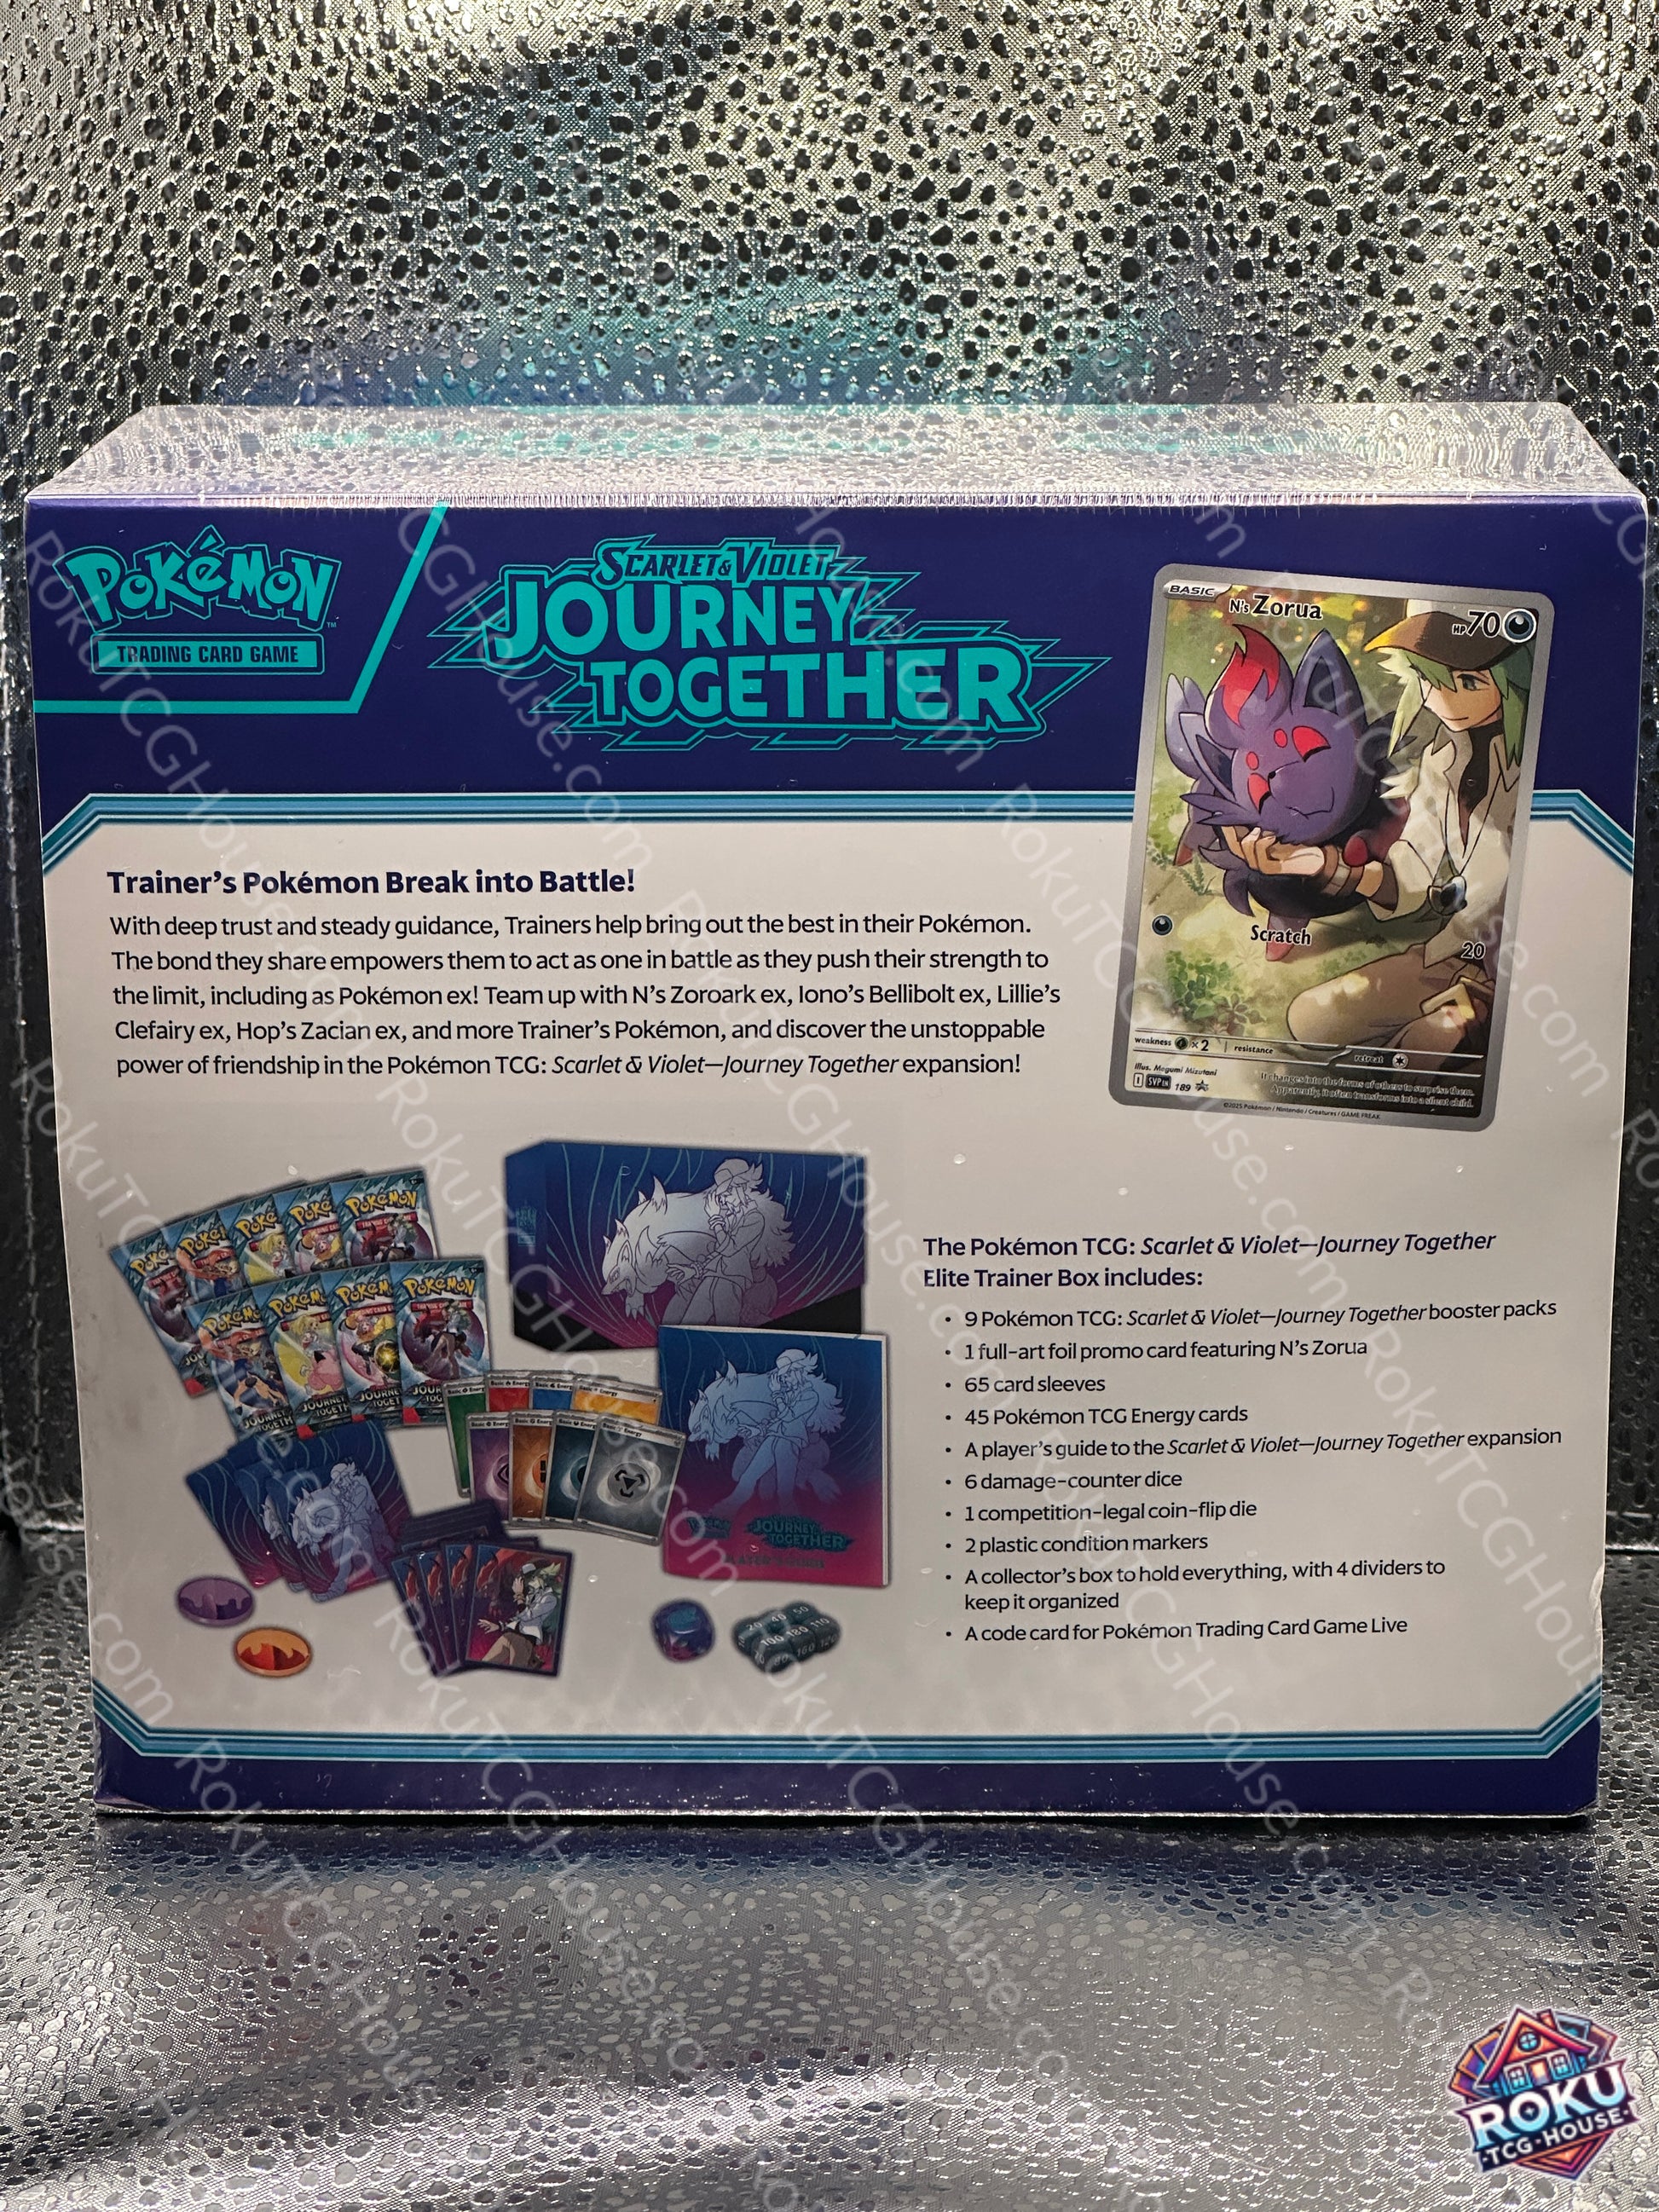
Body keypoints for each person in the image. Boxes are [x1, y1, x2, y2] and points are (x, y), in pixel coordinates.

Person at [1222, 605, 1532, 1065]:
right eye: (1431, 679)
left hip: (1520, 970)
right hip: (1451, 956)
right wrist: (1318, 864)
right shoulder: (1442, 763)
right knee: (1310, 1019)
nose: (1444, 698)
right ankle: (1460, 1016)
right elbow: (1409, 875)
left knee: (1421, 1050)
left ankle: (1475, 1023)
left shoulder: (1534, 778)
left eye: (1469, 682)